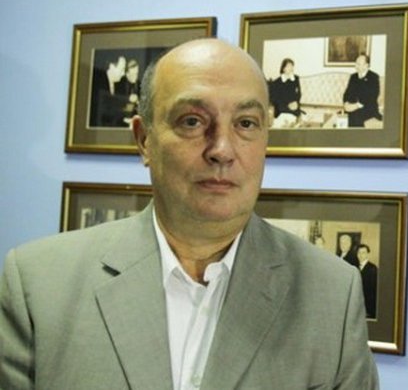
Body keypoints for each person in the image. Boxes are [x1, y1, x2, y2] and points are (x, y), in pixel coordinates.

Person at [0, 39, 378, 390]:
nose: (222, 149)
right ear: (144, 140)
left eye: (246, 123)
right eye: (192, 121)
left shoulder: (332, 294)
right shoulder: (38, 286)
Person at [342, 53, 382, 127]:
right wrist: (346, 103)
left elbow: (372, 97)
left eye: (359, 64)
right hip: (352, 107)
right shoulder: (353, 77)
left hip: (368, 108)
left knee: (355, 118)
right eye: (356, 63)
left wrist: (356, 106)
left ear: (366, 65)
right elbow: (346, 93)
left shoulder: (373, 77)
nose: (356, 66)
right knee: (341, 117)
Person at [268, 58, 302, 128]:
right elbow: (274, 99)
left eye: (292, 66)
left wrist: (296, 103)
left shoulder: (296, 79)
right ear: (283, 68)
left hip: (294, 109)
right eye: (288, 66)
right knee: (283, 123)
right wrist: (287, 106)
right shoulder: (276, 83)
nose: (291, 68)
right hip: (282, 109)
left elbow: (298, 94)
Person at [357, 244, 378, 319]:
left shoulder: (373, 268)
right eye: (359, 253)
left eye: (363, 253)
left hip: (368, 306)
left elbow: (373, 291)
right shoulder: (355, 267)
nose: (361, 255)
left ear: (368, 254)